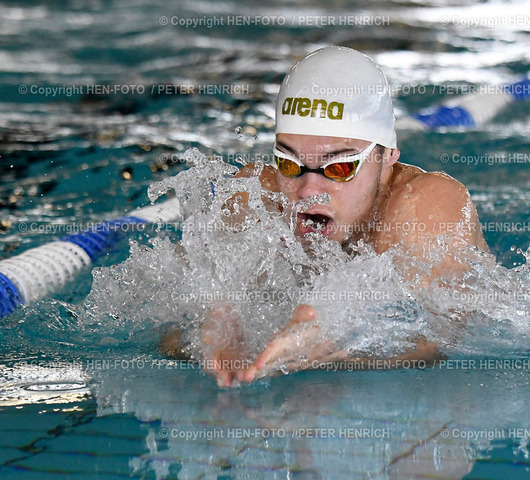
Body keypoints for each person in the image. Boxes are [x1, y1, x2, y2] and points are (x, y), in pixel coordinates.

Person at [166, 46, 489, 387]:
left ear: (387, 156)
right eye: (289, 163)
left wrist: (343, 352)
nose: (308, 189)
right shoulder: (256, 198)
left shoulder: (428, 206)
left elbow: (442, 341)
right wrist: (203, 338)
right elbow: (166, 321)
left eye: (339, 167)